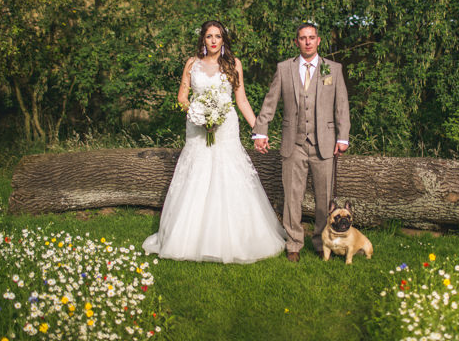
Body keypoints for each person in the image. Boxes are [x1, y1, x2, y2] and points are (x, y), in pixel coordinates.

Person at [142, 21, 285, 263]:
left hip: (226, 127)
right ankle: (189, 239)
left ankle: (235, 239)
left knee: (229, 174)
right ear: (203, 39)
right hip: (197, 128)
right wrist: (199, 113)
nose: (213, 41)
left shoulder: (234, 64)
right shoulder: (191, 63)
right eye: (209, 36)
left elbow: (241, 101)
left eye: (218, 36)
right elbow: (182, 97)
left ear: (223, 39)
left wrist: (258, 130)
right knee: (196, 174)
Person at [253, 23, 350, 262]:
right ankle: (294, 243)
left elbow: (342, 105)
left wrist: (343, 136)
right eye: (302, 38)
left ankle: (320, 241)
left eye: (311, 38)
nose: (307, 42)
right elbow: (270, 102)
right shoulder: (284, 68)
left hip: (324, 143)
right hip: (293, 143)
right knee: (292, 197)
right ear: (296, 42)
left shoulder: (332, 69)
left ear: (319, 41)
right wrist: (261, 131)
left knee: (324, 198)